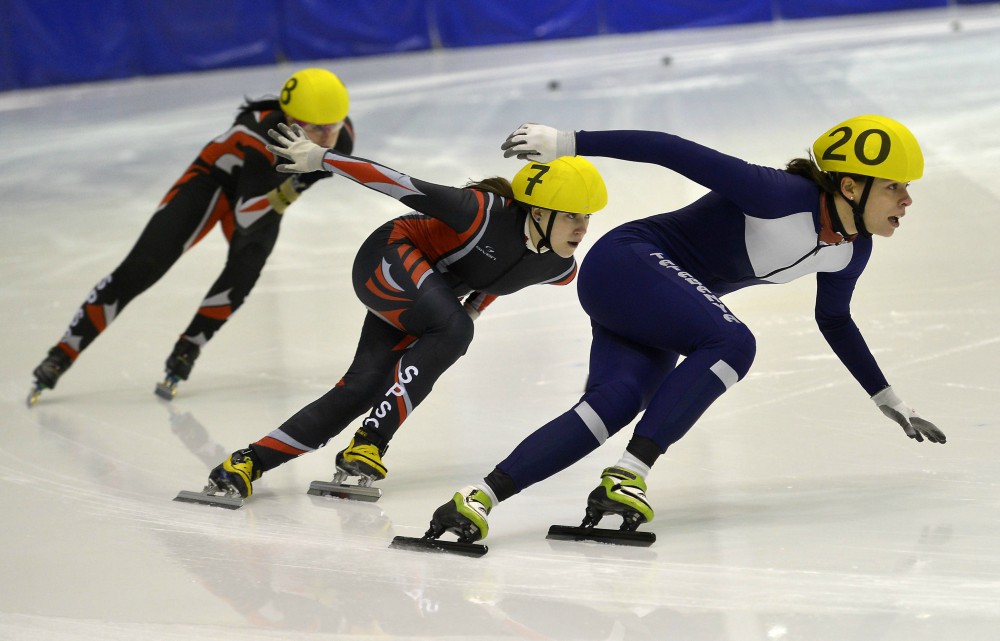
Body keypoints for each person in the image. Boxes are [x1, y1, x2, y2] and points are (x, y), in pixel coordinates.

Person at [422, 115, 947, 544]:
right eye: (894, 187)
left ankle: (477, 499)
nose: (906, 200)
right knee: (732, 341)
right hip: (629, 262)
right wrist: (567, 142)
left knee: (617, 402)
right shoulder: (779, 195)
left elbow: (834, 319)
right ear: (849, 186)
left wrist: (889, 400)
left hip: (654, 304)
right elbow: (670, 148)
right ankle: (629, 475)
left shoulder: (853, 251)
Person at [203, 122, 607, 500]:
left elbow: (501, 277)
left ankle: (247, 462)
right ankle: (370, 442)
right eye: (572, 215)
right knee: (454, 331)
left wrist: (475, 309)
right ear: (537, 212)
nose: (582, 228)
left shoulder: (558, 268)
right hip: (389, 256)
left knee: (362, 387)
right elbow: (397, 183)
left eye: (587, 217)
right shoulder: (481, 211)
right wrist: (320, 157)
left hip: (431, 296)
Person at [27, 68, 355, 405]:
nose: (328, 136)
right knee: (141, 268)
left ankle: (188, 349)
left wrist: (296, 181)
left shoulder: (342, 135)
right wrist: (296, 185)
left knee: (243, 274)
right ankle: (62, 354)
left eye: (334, 124)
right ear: (290, 118)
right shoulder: (261, 135)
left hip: (267, 192)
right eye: (316, 128)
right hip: (212, 186)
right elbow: (247, 215)